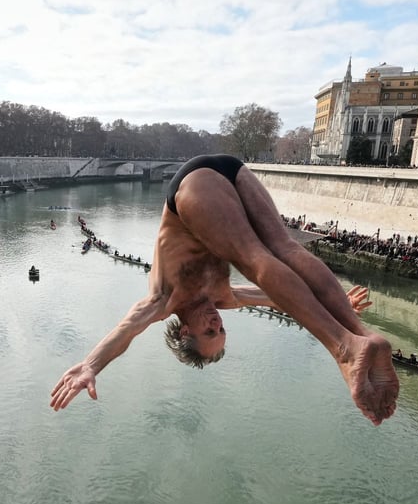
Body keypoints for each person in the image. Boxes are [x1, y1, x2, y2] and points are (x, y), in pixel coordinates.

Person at [50, 154, 399, 425]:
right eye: (221, 329)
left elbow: (126, 331)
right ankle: (360, 335)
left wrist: (91, 365)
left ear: (185, 330)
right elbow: (281, 299)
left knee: (255, 257)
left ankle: (344, 348)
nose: (217, 322)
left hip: (191, 187)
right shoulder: (225, 298)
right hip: (233, 171)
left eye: (209, 330)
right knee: (286, 248)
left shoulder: (163, 300)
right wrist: (341, 305)